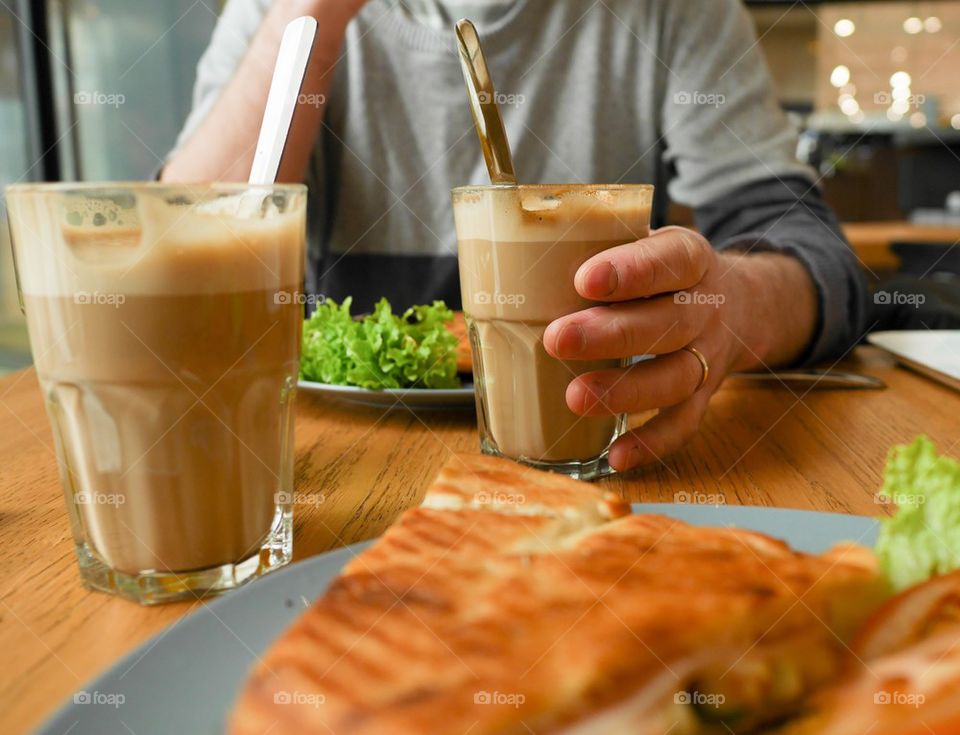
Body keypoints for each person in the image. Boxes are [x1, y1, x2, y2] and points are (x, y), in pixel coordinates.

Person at [161, 0, 869, 472]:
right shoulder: (277, 17)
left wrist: (732, 304)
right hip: (342, 461)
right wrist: (307, 15)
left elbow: (822, 264)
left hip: (590, 450)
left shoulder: (670, 11)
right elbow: (180, 270)